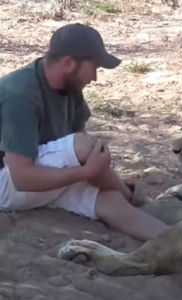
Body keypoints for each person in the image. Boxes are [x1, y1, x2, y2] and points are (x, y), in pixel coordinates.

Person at [0, 23, 168, 241]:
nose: (95, 77)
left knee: (110, 200)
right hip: (8, 182)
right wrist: (85, 174)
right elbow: (22, 178)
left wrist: (94, 175)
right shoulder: (20, 95)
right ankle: (130, 196)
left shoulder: (70, 88)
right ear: (69, 63)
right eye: (95, 67)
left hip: (39, 179)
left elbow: (78, 158)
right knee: (82, 146)